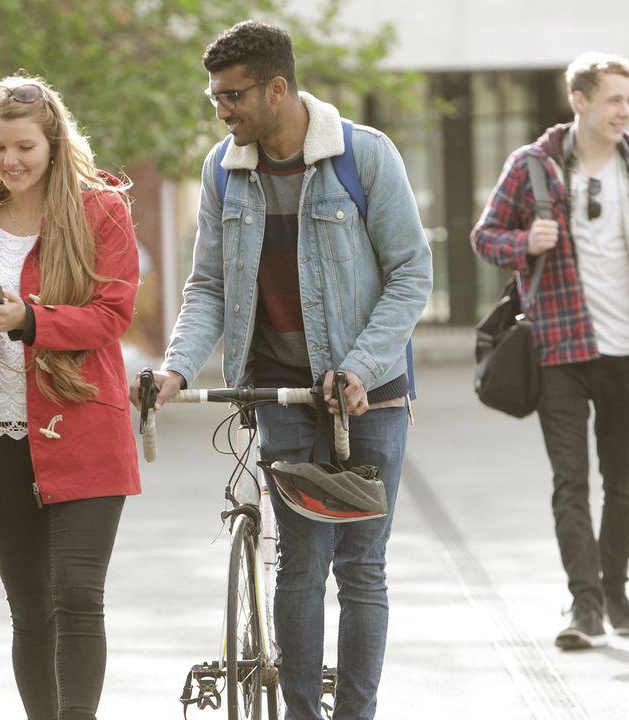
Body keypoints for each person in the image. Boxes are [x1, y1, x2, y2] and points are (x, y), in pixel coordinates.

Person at [132, 21, 431, 719]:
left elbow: (412, 275)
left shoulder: (365, 157)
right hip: (281, 392)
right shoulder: (222, 169)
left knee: (361, 568)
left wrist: (358, 366)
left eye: (233, 96)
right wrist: (176, 369)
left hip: (371, 399)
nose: (222, 111)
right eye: (215, 98)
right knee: (300, 562)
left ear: (277, 88)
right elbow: (207, 287)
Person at [471, 52, 629, 650]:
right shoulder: (532, 167)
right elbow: (484, 237)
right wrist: (525, 241)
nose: (623, 110)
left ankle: (616, 588)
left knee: (622, 480)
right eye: (613, 99)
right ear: (579, 100)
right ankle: (584, 604)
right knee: (570, 482)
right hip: (560, 347)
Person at [0, 75, 140, 720]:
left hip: (85, 434)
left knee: (78, 594)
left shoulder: (103, 210)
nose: (11, 161)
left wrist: (29, 321)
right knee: (29, 607)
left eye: (24, 147)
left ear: (53, 141)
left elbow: (112, 315)